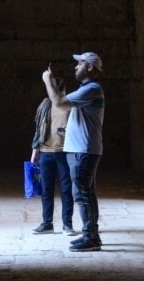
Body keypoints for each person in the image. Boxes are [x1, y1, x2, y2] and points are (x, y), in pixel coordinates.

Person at [41, 52, 105, 252]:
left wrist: (47, 81)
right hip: (81, 149)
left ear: (90, 67)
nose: (75, 67)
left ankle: (91, 238)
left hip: (83, 150)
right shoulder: (86, 90)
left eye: (79, 63)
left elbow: (58, 102)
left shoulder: (92, 89)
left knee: (82, 194)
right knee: (86, 193)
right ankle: (90, 234)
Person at [30, 76, 78, 236]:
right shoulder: (45, 105)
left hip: (64, 152)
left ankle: (67, 224)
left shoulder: (69, 106)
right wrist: (35, 149)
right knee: (46, 190)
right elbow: (39, 128)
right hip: (45, 153)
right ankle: (47, 223)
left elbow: (77, 127)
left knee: (66, 189)